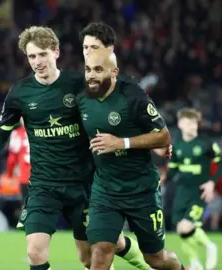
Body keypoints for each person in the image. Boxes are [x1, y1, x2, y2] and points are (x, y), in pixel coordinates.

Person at [0, 26, 150, 270]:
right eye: (32, 56)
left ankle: (147, 265)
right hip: (43, 185)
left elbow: (112, 111)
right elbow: (1, 136)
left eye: (42, 54)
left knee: (93, 253)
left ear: (56, 52)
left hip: (84, 183)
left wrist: (138, 141)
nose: (37, 62)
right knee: (34, 251)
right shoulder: (20, 93)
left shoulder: (78, 83)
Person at [77, 49, 185, 270]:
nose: (91, 75)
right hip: (105, 189)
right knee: (100, 251)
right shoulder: (81, 100)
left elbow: (163, 136)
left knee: (156, 259)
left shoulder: (133, 96)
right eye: (88, 70)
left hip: (141, 189)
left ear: (114, 72)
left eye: (98, 69)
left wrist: (121, 142)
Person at [79, 21, 155, 270]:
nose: (88, 52)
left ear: (110, 50)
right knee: (97, 251)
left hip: (136, 184)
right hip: (98, 183)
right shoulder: (78, 90)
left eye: (94, 47)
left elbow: (159, 133)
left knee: (156, 258)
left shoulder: (131, 92)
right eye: (85, 47)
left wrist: (132, 142)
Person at [165, 108, 222, 270]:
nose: (193, 127)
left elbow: (221, 163)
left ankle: (210, 246)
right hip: (181, 192)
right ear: (180, 124)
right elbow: (173, 170)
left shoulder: (206, 143)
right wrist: (161, 179)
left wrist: (211, 183)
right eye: (189, 123)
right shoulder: (176, 145)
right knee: (180, 230)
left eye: (194, 124)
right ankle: (194, 263)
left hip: (198, 193)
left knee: (186, 226)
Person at [6, 118, 30, 201]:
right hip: (41, 175)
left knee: (26, 205)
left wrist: (9, 174)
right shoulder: (41, 131)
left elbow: (11, 159)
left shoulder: (16, 134)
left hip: (25, 176)